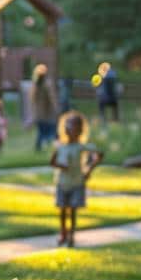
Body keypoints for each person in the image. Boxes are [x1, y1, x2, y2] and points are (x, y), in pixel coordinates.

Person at [51, 111, 103, 247]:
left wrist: (89, 170)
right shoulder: (60, 146)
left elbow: (99, 154)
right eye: (68, 126)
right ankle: (63, 233)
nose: (69, 129)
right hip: (62, 183)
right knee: (62, 209)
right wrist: (59, 165)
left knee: (73, 209)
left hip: (77, 183)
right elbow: (53, 162)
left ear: (80, 130)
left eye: (73, 126)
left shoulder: (81, 147)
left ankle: (71, 235)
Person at [30, 63, 57, 151]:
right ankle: (44, 145)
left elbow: (33, 100)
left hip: (39, 114)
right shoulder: (45, 86)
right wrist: (55, 108)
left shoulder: (35, 87)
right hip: (46, 114)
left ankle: (39, 146)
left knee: (41, 131)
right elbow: (50, 99)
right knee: (48, 131)